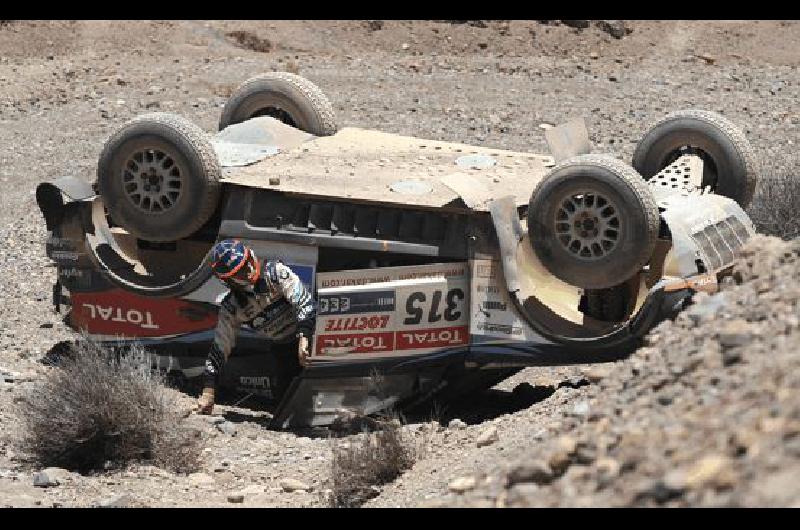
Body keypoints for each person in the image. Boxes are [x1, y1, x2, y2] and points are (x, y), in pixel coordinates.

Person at [195, 239, 315, 414]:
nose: (248, 271)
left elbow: (305, 303)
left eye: (247, 263)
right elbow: (219, 349)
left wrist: (304, 337)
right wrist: (208, 391)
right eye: (240, 272)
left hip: (312, 335)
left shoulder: (276, 272)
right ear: (228, 281)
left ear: (251, 255)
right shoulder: (231, 307)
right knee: (286, 409)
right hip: (283, 350)